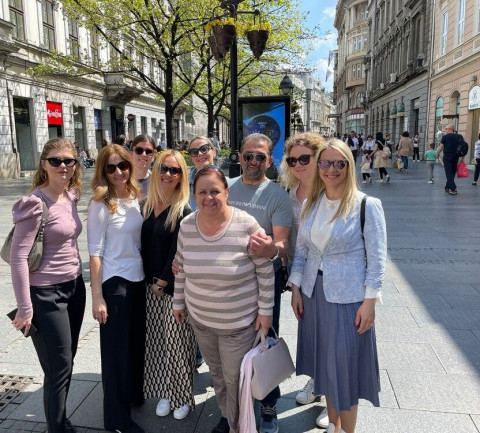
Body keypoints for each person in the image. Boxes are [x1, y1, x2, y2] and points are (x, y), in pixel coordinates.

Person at [289, 138, 386, 433]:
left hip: (348, 300)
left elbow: (377, 261)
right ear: (318, 166)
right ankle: (333, 425)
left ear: (349, 166)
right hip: (313, 296)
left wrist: (370, 303)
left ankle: (347, 430)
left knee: (344, 372)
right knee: (326, 368)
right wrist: (296, 289)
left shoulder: (366, 205)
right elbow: (302, 252)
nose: (331, 169)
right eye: (326, 163)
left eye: (339, 163)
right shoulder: (310, 204)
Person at [173, 165, 275, 433]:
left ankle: (239, 426)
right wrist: (178, 301)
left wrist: (265, 311)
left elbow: (265, 270)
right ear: (194, 194)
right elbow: (180, 266)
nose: (208, 197)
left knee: (235, 380)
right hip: (201, 321)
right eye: (202, 192)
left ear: (226, 192)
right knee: (217, 375)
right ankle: (228, 418)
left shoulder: (246, 224)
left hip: (237, 325)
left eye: (215, 191)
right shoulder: (187, 226)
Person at [9, 138, 86, 433]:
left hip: (74, 288)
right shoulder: (35, 203)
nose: (63, 165)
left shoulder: (71, 195)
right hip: (45, 294)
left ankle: (61, 420)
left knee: (66, 362)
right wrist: (25, 308)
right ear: (44, 164)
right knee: (58, 367)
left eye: (69, 160)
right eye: (56, 160)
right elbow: (18, 258)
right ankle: (57, 428)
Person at [228, 133, 292, 433]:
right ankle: (232, 404)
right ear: (240, 157)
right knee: (232, 342)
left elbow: (282, 244)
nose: (253, 161)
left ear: (269, 161)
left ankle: (268, 402)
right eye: (249, 155)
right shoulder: (226, 188)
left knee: (265, 340)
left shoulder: (278, 195)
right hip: (230, 282)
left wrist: (271, 250)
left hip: (265, 281)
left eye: (260, 157)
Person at [87, 145, 145, 432]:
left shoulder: (134, 196)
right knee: (115, 355)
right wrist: (97, 297)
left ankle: (132, 397)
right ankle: (116, 419)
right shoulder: (100, 203)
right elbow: (95, 254)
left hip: (137, 279)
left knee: (134, 347)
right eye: (111, 167)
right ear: (103, 171)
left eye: (123, 165)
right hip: (114, 283)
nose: (118, 172)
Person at [279, 132, 329, 429]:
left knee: (331, 334)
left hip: (328, 274)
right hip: (301, 272)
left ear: (318, 157)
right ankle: (318, 381)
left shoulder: (330, 190)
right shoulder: (291, 191)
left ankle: (333, 395)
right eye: (292, 160)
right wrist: (294, 282)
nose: (298, 164)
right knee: (310, 331)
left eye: (304, 158)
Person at [141, 151, 195, 420]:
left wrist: (162, 283)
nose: (168, 174)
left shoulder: (183, 211)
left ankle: (183, 397)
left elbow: (178, 252)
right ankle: (166, 392)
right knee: (159, 345)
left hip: (172, 289)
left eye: (175, 170)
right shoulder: (146, 205)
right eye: (163, 168)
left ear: (182, 176)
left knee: (178, 345)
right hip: (147, 286)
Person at [186, 136, 216, 210]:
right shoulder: (183, 185)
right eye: (194, 152)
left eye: (204, 149)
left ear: (214, 152)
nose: (200, 154)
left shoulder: (228, 184)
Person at [436, 124, 464, 195]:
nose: (445, 130)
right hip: (456, 157)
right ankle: (447, 186)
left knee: (448, 173)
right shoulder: (459, 136)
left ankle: (453, 189)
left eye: (446, 129)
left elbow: (440, 147)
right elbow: (463, 147)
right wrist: (462, 157)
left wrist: (437, 154)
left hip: (447, 157)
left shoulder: (445, 137)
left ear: (450, 129)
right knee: (452, 173)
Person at [130, 134, 156, 199]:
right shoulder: (121, 181)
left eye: (148, 151)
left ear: (153, 156)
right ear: (131, 153)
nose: (144, 154)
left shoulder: (158, 183)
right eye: (139, 150)